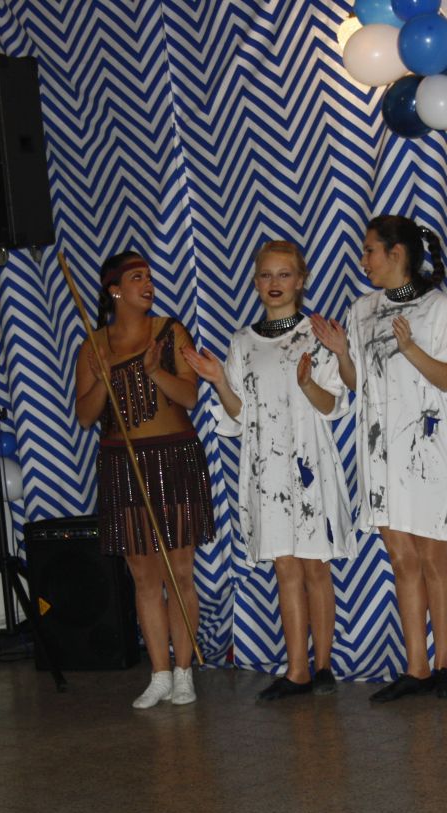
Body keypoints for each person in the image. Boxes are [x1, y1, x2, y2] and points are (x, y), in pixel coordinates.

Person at [182, 240, 353, 701]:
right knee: (285, 566)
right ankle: (296, 670)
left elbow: (332, 405)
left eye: (283, 274)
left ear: (300, 281)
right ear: (255, 282)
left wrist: (308, 382)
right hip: (266, 469)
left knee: (315, 565)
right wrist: (219, 381)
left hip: (309, 463)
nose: (274, 283)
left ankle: (322, 666)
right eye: (265, 275)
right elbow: (239, 416)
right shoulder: (242, 341)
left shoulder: (317, 334)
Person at [311, 215, 447, 702]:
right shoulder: (362, 310)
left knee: (434, 556)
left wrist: (410, 348)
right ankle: (415, 667)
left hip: (428, 446)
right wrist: (342, 354)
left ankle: (443, 666)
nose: (363, 261)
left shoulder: (438, 307)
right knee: (401, 558)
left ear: (396, 254)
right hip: (381, 452)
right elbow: (358, 385)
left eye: (369, 251)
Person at [74, 251, 215, 709]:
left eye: (149, 277)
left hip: (173, 458)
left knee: (180, 571)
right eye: (137, 278)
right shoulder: (93, 345)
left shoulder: (169, 331)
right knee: (143, 576)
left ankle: (183, 671)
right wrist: (102, 380)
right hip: (123, 464)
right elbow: (85, 416)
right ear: (115, 290)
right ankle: (158, 673)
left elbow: (190, 397)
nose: (148, 284)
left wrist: (155, 372)